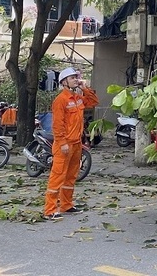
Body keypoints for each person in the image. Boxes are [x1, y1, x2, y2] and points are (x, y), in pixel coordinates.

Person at [43, 67, 98, 221]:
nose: (76, 79)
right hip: (64, 145)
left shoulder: (77, 98)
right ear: (64, 81)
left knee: (71, 176)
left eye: (76, 77)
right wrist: (62, 142)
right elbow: (57, 125)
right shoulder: (61, 100)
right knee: (57, 177)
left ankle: (66, 205)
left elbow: (93, 102)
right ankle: (50, 210)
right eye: (73, 77)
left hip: (76, 143)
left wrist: (84, 88)